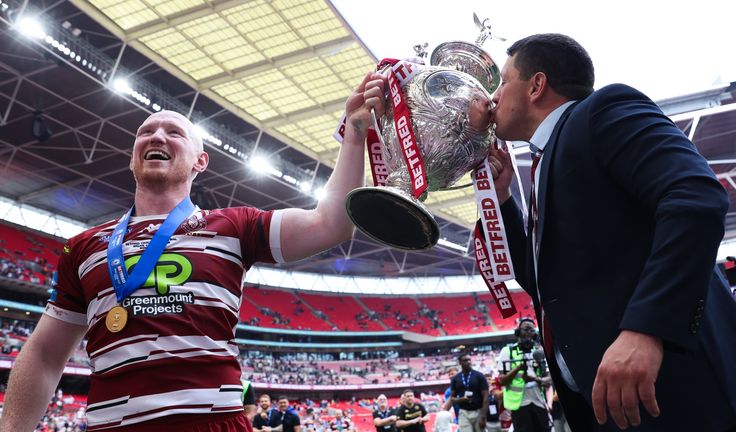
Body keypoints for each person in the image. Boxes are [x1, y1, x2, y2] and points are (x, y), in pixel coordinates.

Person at [0, 70, 387, 432]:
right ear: (132, 157)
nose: (157, 136)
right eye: (145, 131)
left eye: (174, 132)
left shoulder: (234, 226)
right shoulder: (84, 247)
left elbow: (330, 223)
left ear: (200, 161)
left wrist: (354, 135)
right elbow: (45, 356)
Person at [486, 32, 736, 431]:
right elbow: (544, 285)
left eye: (502, 80)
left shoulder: (600, 111)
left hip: (694, 401)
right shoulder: (542, 167)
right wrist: (501, 203)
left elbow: (695, 195)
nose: (493, 97)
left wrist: (647, 328)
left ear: (536, 85)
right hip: (626, 410)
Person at [495, 318, 550, 432]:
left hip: (539, 401)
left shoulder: (539, 352)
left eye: (532, 330)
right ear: (518, 332)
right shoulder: (507, 351)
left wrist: (537, 379)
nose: (529, 332)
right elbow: (502, 381)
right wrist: (518, 368)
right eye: (526, 329)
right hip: (519, 404)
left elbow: (549, 379)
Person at [448, 353, 488, 432]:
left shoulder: (479, 376)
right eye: (465, 360)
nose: (468, 362)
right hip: (464, 412)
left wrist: (483, 417)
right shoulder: (456, 379)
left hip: (478, 411)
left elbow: (486, 397)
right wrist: (462, 399)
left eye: (469, 360)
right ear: (460, 362)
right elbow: (452, 399)